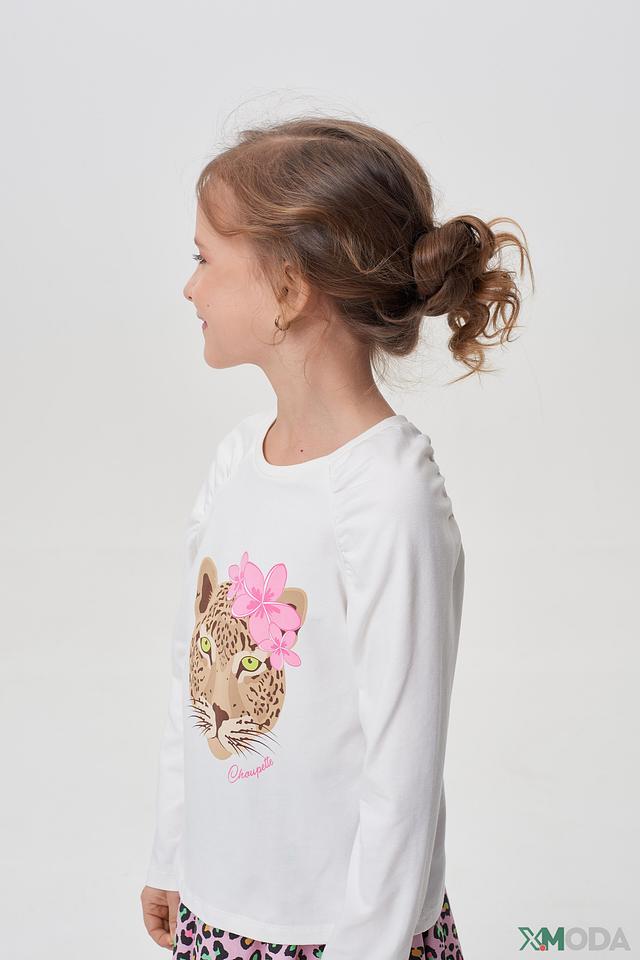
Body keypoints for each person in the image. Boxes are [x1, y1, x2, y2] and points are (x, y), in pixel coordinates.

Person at [140, 116, 533, 960]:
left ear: (288, 291)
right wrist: (174, 853)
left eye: (205, 259)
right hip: (219, 912)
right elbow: (189, 675)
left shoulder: (387, 498)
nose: (189, 288)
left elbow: (403, 771)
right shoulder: (235, 461)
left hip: (341, 937)